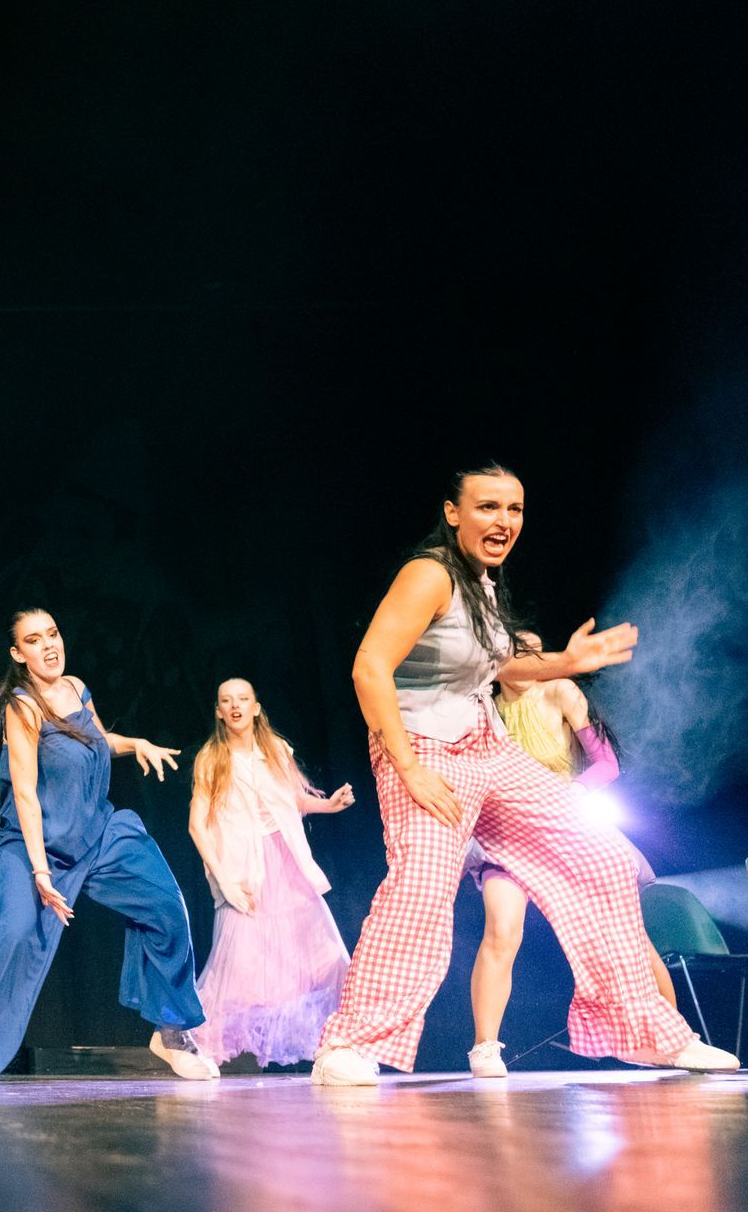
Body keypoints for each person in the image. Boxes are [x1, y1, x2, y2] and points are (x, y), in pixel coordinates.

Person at [310, 463, 735, 1085]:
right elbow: (369, 666)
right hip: (424, 748)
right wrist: (408, 768)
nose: (503, 522)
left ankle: (650, 1032)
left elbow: (497, 662)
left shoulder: (481, 581)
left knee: (603, 859)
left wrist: (565, 660)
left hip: (487, 744)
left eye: (514, 510)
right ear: (453, 513)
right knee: (423, 890)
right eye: (487, 507)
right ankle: (349, 1044)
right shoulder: (428, 573)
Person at [0, 609, 212, 1082]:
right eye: (34, 640)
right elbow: (24, 793)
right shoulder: (22, 708)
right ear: (19, 655)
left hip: (98, 832)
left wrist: (136, 743)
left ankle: (170, 1030)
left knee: (165, 904)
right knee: (16, 934)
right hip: (35, 844)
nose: (49, 646)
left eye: (54, 634)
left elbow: (97, 739)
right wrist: (40, 872)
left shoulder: (75, 687)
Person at [462, 633, 674, 1077]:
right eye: (518, 651)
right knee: (502, 930)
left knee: (630, 938)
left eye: (537, 651)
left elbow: (606, 764)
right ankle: (485, 1047)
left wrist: (568, 794)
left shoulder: (559, 690)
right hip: (509, 834)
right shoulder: (482, 709)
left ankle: (671, 1038)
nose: (530, 658)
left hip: (565, 825)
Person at [187, 678, 353, 1067]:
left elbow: (291, 800)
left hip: (286, 861)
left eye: (243, 699)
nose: (235, 707)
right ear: (218, 711)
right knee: (237, 967)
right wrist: (223, 880)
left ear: (256, 706)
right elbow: (197, 825)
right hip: (242, 868)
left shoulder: (276, 749)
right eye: (226, 701)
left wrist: (328, 805)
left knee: (320, 955)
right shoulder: (212, 758)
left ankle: (338, 1043)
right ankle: (199, 1050)